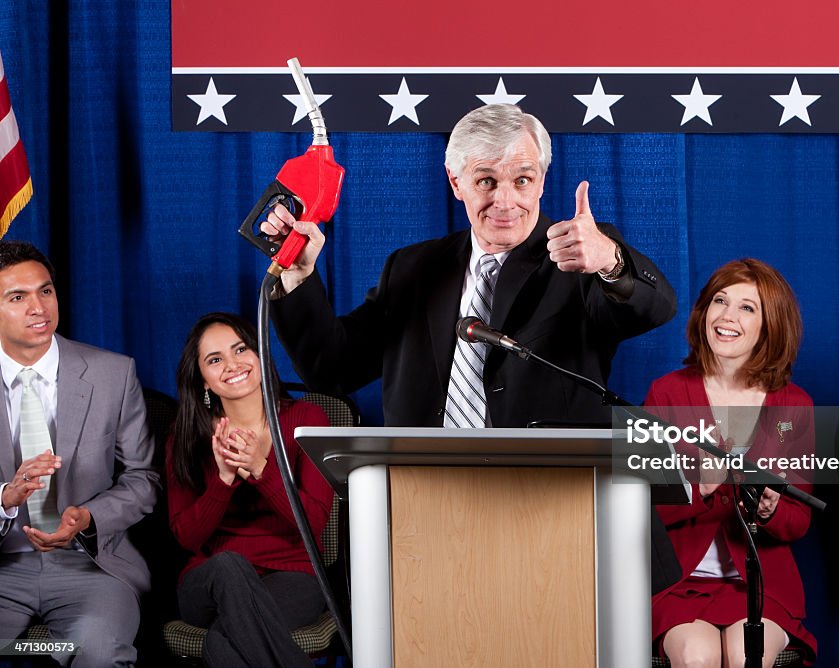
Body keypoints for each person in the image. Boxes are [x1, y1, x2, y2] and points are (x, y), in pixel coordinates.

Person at [261, 102, 677, 428]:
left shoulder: (579, 256)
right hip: (426, 495)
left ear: (543, 181)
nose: (505, 200)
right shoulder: (412, 268)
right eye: (486, 181)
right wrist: (300, 274)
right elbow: (331, 369)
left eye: (522, 180)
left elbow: (656, 308)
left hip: (549, 497)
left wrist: (611, 259)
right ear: (455, 182)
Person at [644, 258, 817, 667]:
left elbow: (799, 521)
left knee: (746, 655)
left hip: (761, 585)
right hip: (677, 582)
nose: (727, 316)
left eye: (747, 307)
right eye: (719, 301)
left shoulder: (795, 405)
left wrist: (770, 510)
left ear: (770, 325)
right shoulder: (666, 393)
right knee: (698, 655)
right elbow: (637, 509)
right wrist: (699, 486)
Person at [0, 241, 159, 666]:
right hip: (1, 566)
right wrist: (4, 499)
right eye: (18, 297)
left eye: (45, 291)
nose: (39, 307)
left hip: (89, 563)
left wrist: (89, 517)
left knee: (100, 653)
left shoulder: (113, 373)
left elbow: (143, 479)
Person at [166, 312, 334, 667]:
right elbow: (186, 537)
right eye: (215, 360)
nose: (232, 364)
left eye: (240, 349)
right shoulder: (186, 436)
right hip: (208, 581)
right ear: (204, 381)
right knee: (230, 565)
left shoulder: (307, 419)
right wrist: (223, 480)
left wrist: (261, 468)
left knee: (222, 643)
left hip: (293, 576)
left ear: (258, 355)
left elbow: (315, 523)